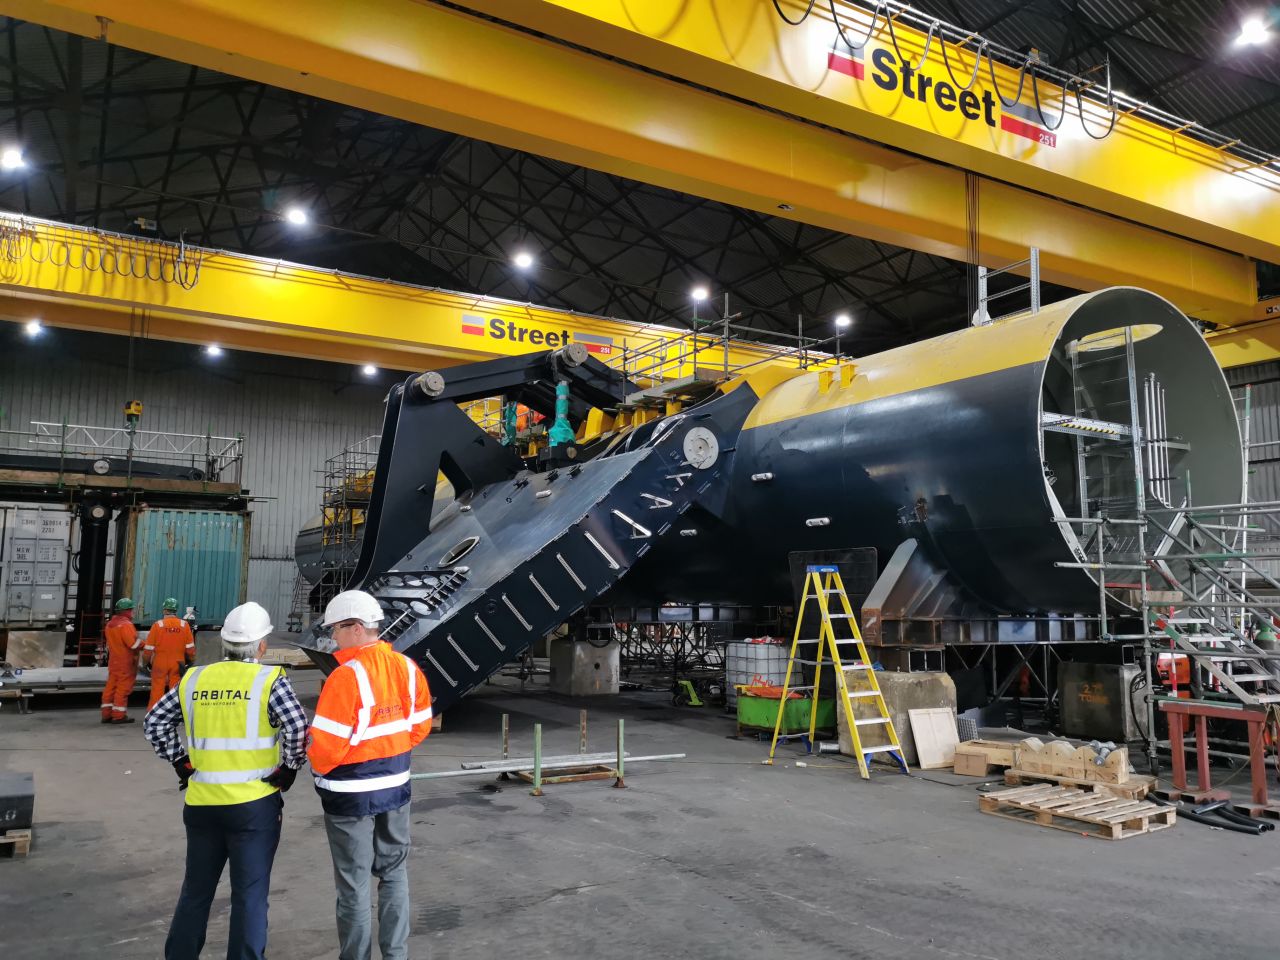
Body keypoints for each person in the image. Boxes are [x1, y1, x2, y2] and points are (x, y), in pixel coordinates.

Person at [143, 601, 307, 960]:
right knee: (249, 894)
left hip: (201, 805)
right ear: (261, 645)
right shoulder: (268, 681)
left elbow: (154, 722)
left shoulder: (195, 678)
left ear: (224, 643)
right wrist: (290, 767)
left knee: (196, 892)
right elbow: (296, 726)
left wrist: (180, 760)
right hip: (253, 806)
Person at [308, 590, 433, 960]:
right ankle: (396, 955)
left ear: (357, 628)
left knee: (354, 884)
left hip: (350, 795)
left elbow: (325, 747)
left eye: (337, 630)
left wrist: (327, 766)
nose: (334, 638)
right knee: (394, 874)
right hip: (395, 787)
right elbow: (419, 726)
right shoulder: (408, 669)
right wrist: (389, 753)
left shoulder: (345, 677)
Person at [146, 596, 197, 708]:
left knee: (157, 690)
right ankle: (174, 713)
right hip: (178, 663)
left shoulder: (157, 625)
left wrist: (147, 663)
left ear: (164, 610)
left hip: (160, 662)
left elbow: (148, 649)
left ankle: (154, 713)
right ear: (176, 610)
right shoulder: (184, 625)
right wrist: (191, 661)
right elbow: (190, 649)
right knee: (175, 690)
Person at [100, 597, 143, 724]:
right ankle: (118, 716)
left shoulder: (110, 625)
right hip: (125, 662)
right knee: (122, 689)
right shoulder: (126, 625)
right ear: (127, 611)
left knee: (111, 687)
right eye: (131, 610)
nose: (133, 612)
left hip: (114, 662)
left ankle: (106, 714)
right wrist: (147, 644)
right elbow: (133, 644)